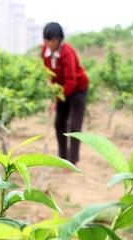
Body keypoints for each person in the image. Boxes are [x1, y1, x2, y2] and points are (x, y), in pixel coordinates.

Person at [41, 22, 89, 165]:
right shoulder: (45, 51)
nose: (49, 44)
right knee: (59, 124)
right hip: (61, 90)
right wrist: (52, 95)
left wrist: (56, 100)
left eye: (52, 40)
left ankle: (73, 161)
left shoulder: (67, 52)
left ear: (59, 39)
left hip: (77, 90)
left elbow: (71, 80)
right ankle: (63, 159)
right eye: (46, 40)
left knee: (74, 126)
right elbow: (48, 73)